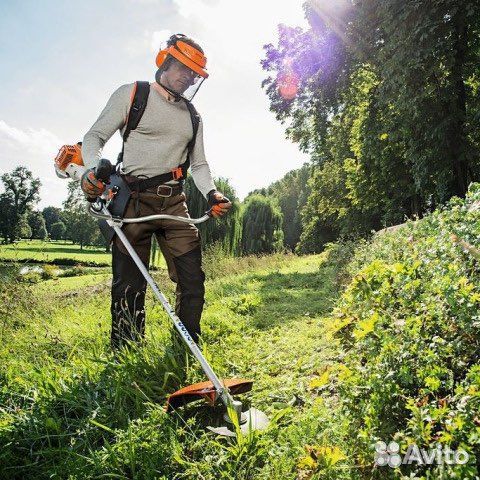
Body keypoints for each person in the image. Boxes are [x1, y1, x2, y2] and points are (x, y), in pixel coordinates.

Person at [80, 33, 232, 350]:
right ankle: (127, 353)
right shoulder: (134, 94)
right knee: (129, 285)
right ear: (165, 61)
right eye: (184, 68)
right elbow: (94, 137)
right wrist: (93, 169)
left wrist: (212, 193)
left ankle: (185, 348)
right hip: (132, 202)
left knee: (192, 279)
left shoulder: (193, 116)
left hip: (174, 203)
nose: (188, 77)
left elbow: (199, 164)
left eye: (194, 73)